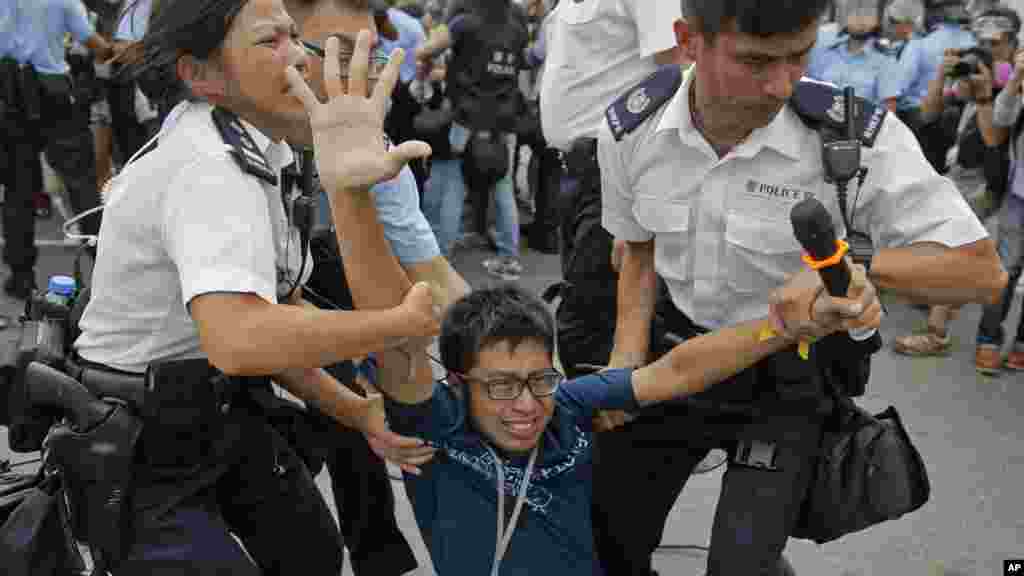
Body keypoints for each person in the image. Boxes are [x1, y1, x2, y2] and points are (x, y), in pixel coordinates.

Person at [595, 1, 1006, 574]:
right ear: (689, 41)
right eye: (757, 61)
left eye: (800, 56)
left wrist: (845, 261)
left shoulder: (850, 135)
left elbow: (982, 273)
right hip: (679, 358)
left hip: (790, 375)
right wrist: (623, 363)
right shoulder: (634, 127)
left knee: (743, 563)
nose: (781, 83)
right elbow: (637, 249)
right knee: (605, 542)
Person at [71, 0, 441, 572]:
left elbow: (269, 317)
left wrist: (355, 411)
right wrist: (398, 324)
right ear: (201, 75)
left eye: (296, 37)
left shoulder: (262, 144)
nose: (302, 57)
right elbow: (240, 337)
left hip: (217, 409)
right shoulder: (209, 166)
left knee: (312, 553)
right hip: (141, 443)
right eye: (272, 42)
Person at [284, 0, 472, 572]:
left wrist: (514, 363)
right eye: (340, 54)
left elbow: (432, 273)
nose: (360, 77)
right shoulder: (227, 150)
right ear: (281, 46)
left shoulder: (369, 143)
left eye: (374, 57)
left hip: (322, 308)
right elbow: (248, 326)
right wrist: (353, 404)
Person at [537, 0, 682, 389]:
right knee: (582, 309)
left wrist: (648, 186)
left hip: (615, 167)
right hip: (575, 170)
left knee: (590, 319)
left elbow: (680, 70)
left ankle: (607, 432)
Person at [0, 0, 114, 299]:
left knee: (18, 190)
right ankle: (107, 269)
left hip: (9, 95)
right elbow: (95, 45)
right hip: (55, 93)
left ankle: (21, 276)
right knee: (81, 184)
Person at [415, 0, 532, 280]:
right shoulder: (517, 21)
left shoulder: (465, 21)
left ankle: (441, 258)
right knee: (502, 186)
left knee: (454, 182)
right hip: (503, 118)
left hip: (465, 117)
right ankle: (509, 258)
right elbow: (523, 59)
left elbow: (426, 50)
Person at [973, 42, 1024, 374]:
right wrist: (1017, 75)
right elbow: (1003, 117)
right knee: (1005, 268)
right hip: (1020, 197)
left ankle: (1021, 345)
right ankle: (988, 340)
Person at [805, 0, 902, 109]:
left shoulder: (886, 60)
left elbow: (888, 109)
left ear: (878, 19)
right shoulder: (825, 49)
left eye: (868, 13)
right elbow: (806, 86)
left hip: (858, 123)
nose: (860, 19)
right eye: (853, 12)